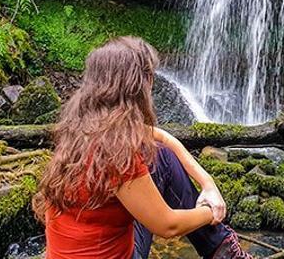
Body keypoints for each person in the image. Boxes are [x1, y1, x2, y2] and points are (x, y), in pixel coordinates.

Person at [33, 36, 253, 259]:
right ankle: (227, 253)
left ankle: (227, 253)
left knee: (162, 155)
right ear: (137, 85)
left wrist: (208, 183)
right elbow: (168, 227)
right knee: (161, 158)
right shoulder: (118, 152)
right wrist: (210, 212)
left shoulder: (81, 130)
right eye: (150, 78)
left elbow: (163, 138)